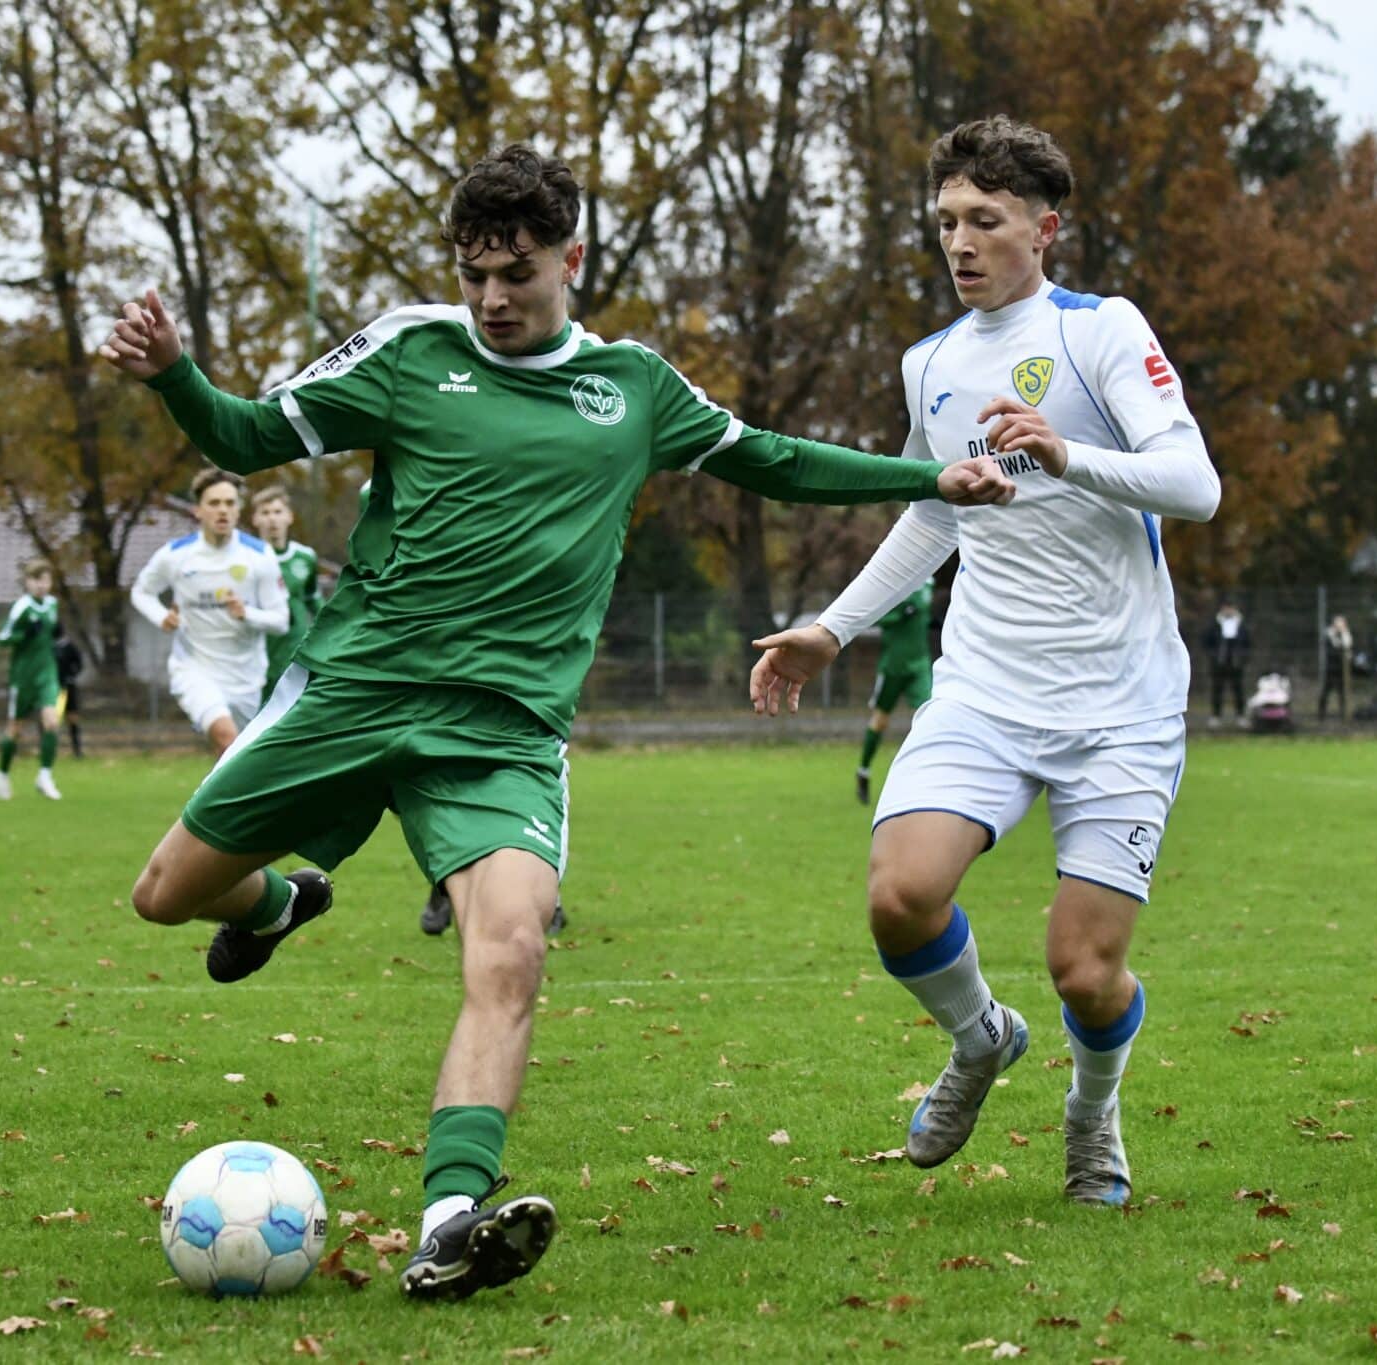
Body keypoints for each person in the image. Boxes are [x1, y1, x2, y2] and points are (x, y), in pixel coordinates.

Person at [96, 145, 1014, 1300]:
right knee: (164, 895)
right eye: (474, 272)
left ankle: (448, 1217)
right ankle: (286, 900)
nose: (491, 297)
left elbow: (774, 463)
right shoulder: (408, 350)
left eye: (516, 273)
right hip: (355, 696)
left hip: (503, 732)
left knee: (512, 949)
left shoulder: (633, 389)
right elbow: (240, 437)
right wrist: (174, 373)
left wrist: (928, 480)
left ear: (569, 258)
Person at [749, 115, 1219, 1207]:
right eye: (946, 221)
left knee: (1085, 974)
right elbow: (929, 515)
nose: (959, 243)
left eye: (985, 221)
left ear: (1043, 229)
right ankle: (978, 1038)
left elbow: (1193, 486)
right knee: (899, 896)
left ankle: (1091, 1117)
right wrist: (831, 626)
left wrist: (1070, 455)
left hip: (1120, 705)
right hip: (984, 690)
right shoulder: (930, 364)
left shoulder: (1099, 333)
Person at [131, 469, 290, 758]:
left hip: (246, 676)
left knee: (236, 757)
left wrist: (247, 614)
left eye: (230, 503)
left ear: (239, 510)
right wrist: (161, 617)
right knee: (226, 737)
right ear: (197, 510)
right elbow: (141, 591)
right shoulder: (176, 555)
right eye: (214, 503)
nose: (223, 511)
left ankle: (223, 803)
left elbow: (281, 621)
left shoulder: (259, 556)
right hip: (194, 669)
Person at [856, 582, 935, 803]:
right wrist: (899, 615)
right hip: (893, 666)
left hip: (919, 664)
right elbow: (877, 617)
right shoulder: (898, 579)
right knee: (880, 721)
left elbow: (923, 614)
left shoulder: (928, 582)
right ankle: (863, 770)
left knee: (928, 718)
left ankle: (923, 781)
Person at [0, 562, 64, 801]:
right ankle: (2, 773)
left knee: (51, 722)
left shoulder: (53, 604)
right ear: (28, 582)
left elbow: (53, 632)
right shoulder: (22, 607)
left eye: (46, 580)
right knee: (15, 729)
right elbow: (3, 638)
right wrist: (23, 634)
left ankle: (44, 775)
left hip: (47, 673)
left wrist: (56, 635)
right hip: (23, 677)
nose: (42, 585)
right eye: (37, 580)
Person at [250, 485, 325, 704]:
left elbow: (315, 601)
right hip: (259, 654)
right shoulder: (248, 559)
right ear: (255, 519)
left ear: (289, 517)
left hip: (295, 651)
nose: (272, 519)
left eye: (277, 512)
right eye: (265, 513)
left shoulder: (305, 557)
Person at [1200, 602, 1250, 726]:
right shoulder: (1215, 625)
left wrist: (1242, 658)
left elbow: (1247, 643)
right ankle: (1216, 716)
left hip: (1236, 663)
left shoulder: (1241, 626)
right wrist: (1213, 656)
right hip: (1219, 664)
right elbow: (1207, 642)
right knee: (1217, 690)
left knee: (1238, 690)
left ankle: (1241, 716)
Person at [54, 629, 86, 757]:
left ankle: (77, 750)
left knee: (72, 717)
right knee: (52, 719)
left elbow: (79, 664)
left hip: (67, 687)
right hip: (53, 688)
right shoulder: (50, 648)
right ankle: (50, 750)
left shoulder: (69, 646)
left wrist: (71, 675)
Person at [1317, 614, 1351, 722]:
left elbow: (1347, 649)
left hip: (1342, 672)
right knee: (1325, 693)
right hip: (1331, 670)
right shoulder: (1329, 636)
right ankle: (1321, 716)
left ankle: (1344, 716)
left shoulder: (1346, 636)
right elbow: (1334, 651)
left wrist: (1344, 634)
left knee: (1342, 694)